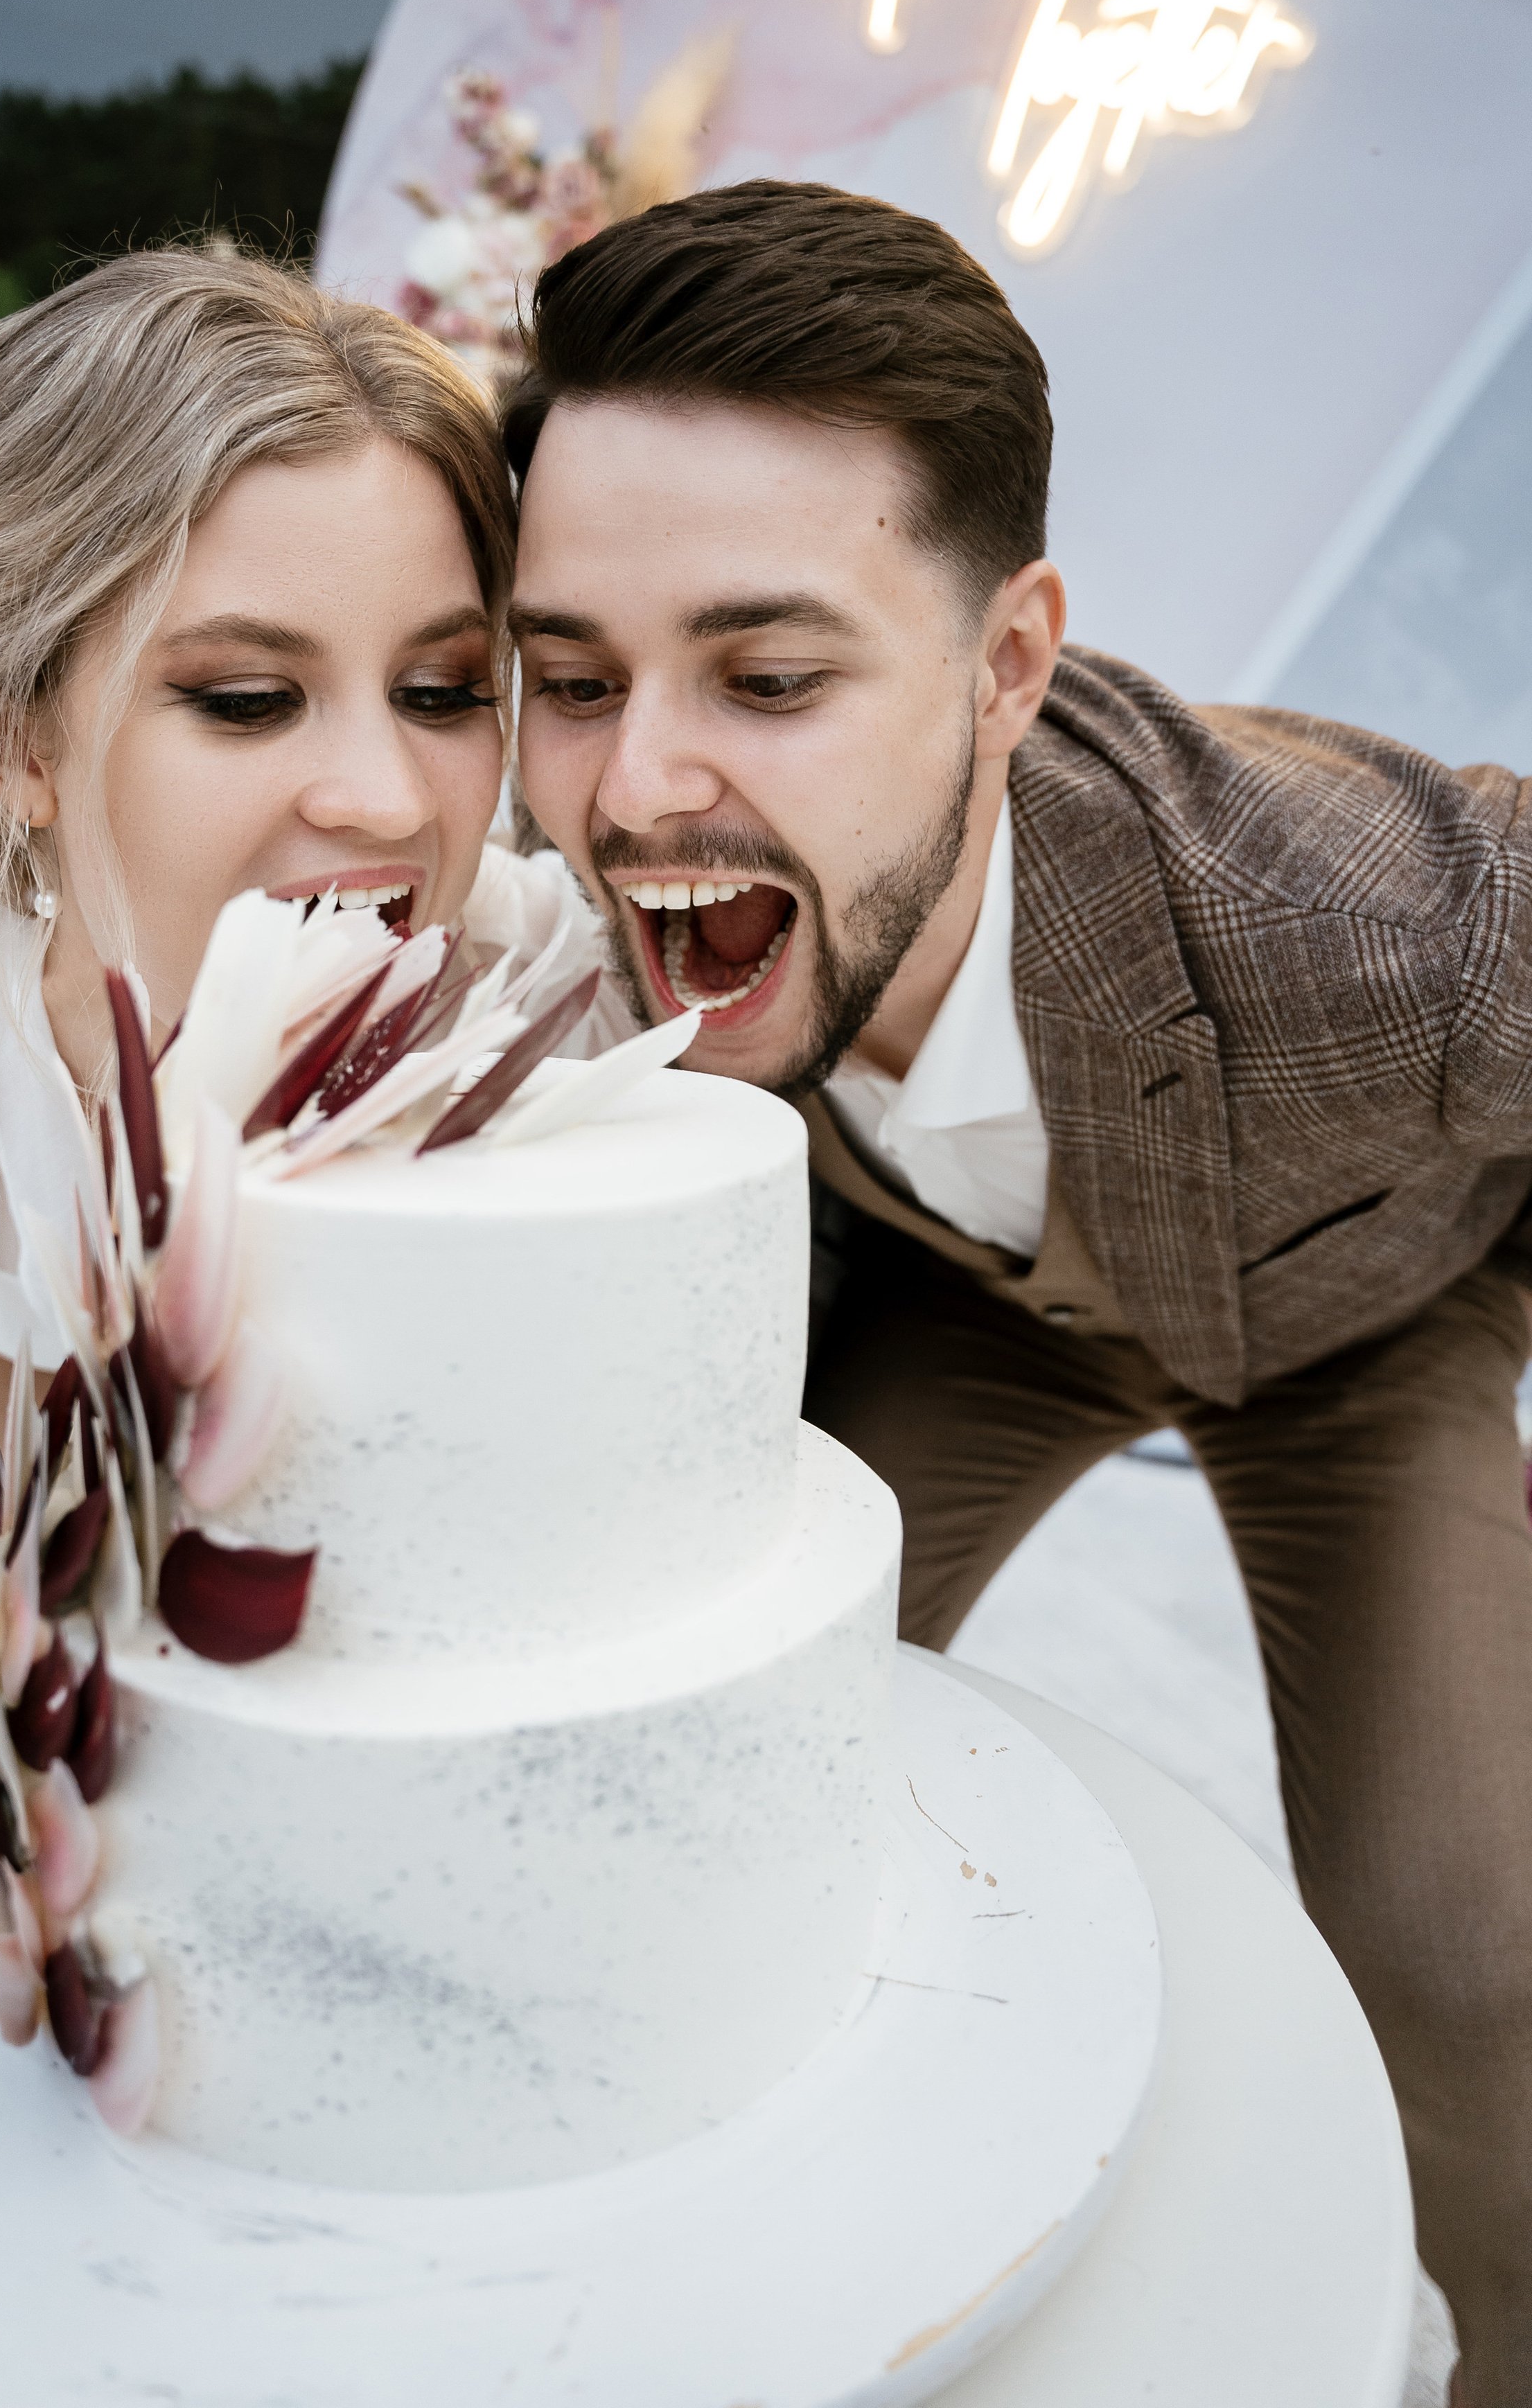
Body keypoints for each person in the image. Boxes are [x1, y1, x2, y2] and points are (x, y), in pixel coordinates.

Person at [504, 177, 1531, 2408]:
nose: (635, 784)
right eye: (572, 677)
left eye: (771, 676)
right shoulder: (561, 878)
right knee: (708, 1744)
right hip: (967, 1299)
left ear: (1008, 666)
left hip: (1360, 1323)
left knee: (1467, 1950)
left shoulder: (1371, 920)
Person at [0, 249, 624, 1725]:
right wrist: (85, 1439)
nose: (384, 798)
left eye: (440, 692)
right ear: (13, 742)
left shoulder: (554, 1002)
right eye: (247, 701)